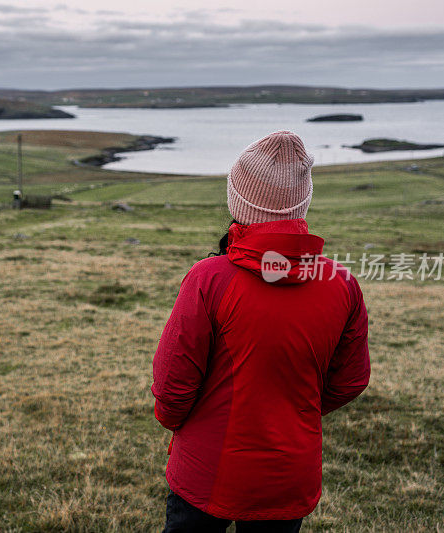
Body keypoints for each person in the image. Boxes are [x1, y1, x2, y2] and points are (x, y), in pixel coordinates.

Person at [152, 131, 370, 532]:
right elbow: (351, 380)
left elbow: (173, 386)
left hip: (206, 469)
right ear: (301, 203)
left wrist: (179, 424)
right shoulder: (341, 283)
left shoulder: (209, 278)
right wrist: (296, 410)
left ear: (238, 201)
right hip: (288, 473)